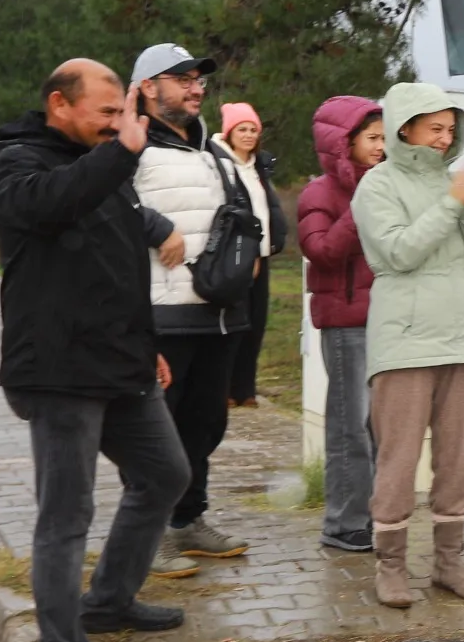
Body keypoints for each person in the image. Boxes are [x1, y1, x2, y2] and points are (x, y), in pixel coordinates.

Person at [0, 59, 194, 642]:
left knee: (165, 475)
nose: (118, 124)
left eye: (121, 113)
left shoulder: (101, 163)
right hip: (57, 370)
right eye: (105, 113)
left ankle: (107, 600)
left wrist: (146, 346)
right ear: (59, 104)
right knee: (66, 514)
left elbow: (115, 260)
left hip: (119, 362)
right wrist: (123, 153)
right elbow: (55, 205)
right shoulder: (19, 164)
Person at [355, 84, 464, 608]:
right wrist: (450, 203)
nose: (446, 138)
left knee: (457, 459)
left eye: (450, 128)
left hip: (463, 338)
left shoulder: (453, 183)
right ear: (405, 128)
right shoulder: (376, 186)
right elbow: (399, 253)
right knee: (397, 459)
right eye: (435, 128)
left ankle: (449, 562)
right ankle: (390, 567)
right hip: (405, 342)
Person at [130, 42, 257, 562]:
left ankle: (188, 520)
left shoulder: (213, 152)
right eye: (180, 78)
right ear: (146, 87)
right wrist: (156, 227)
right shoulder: (129, 145)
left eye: (197, 79)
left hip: (218, 314)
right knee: (156, 432)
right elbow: (103, 203)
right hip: (163, 316)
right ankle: (146, 531)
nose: (194, 86)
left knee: (206, 425)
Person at [296, 96, 383, 554]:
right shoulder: (319, 193)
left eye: (385, 139)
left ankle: (370, 515)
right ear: (342, 143)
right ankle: (343, 522)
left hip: (385, 322)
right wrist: (361, 208)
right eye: (372, 138)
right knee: (349, 424)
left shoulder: (380, 186)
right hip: (345, 324)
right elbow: (323, 250)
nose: (381, 147)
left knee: (375, 427)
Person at [216, 102, 288, 408]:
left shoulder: (259, 167)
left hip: (262, 255)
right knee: (232, 324)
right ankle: (224, 390)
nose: (248, 135)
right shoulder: (220, 165)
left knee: (256, 324)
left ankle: (245, 389)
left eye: (253, 130)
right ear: (229, 132)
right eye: (242, 129)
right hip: (235, 256)